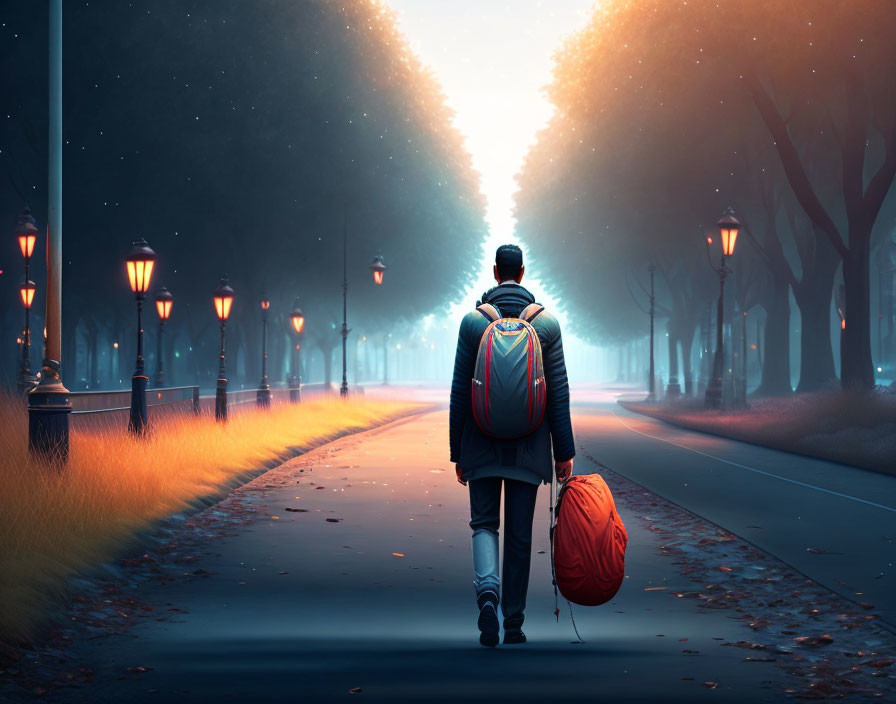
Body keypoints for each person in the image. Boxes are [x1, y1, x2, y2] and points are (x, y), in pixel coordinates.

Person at [449, 243, 575, 647]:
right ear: (521, 273)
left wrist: (458, 450)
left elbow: (459, 393)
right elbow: (558, 393)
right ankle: (514, 623)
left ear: (494, 272)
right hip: (530, 444)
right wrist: (564, 453)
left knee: (484, 524)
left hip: (480, 443)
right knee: (520, 534)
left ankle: (487, 593)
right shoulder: (546, 326)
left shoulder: (473, 324)